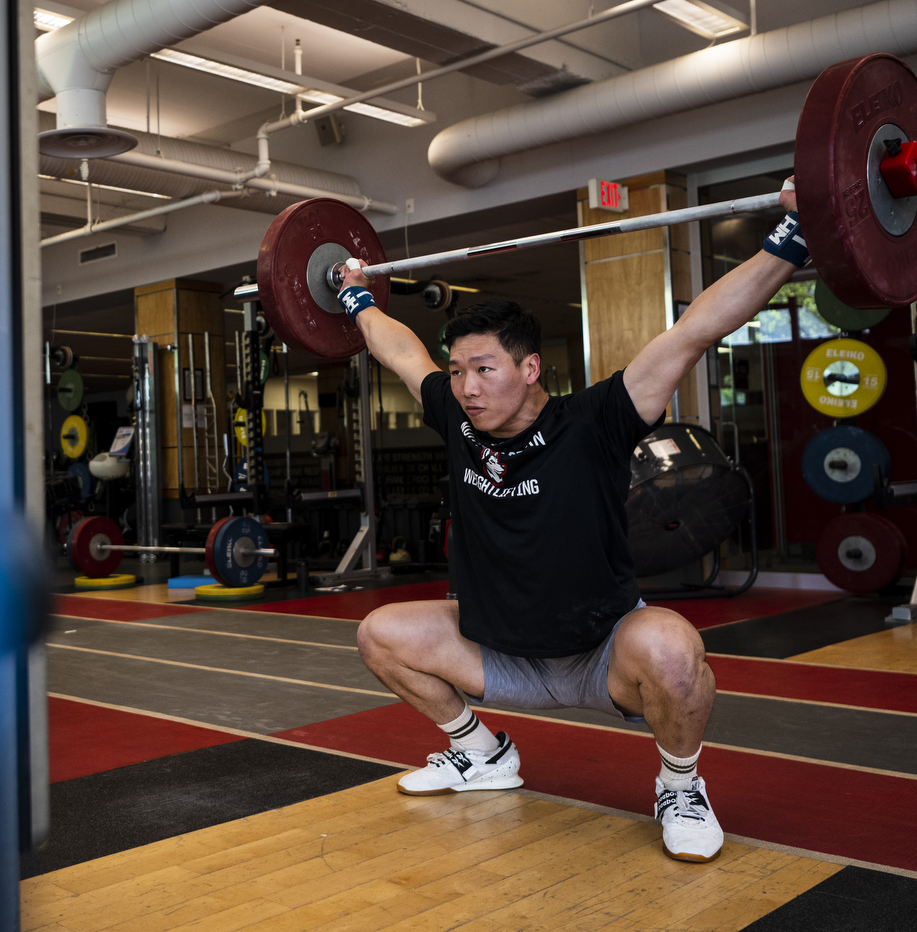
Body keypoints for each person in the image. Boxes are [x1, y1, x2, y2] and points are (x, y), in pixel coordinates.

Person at [340, 178, 807, 863]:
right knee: (379, 633)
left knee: (675, 649)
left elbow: (696, 329)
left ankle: (680, 786)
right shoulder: (455, 414)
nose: (468, 387)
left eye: (486, 368)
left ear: (530, 368)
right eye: (460, 370)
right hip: (497, 649)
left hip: (600, 654)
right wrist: (353, 294)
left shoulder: (596, 420)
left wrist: (792, 240)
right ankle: (481, 754)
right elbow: (400, 351)